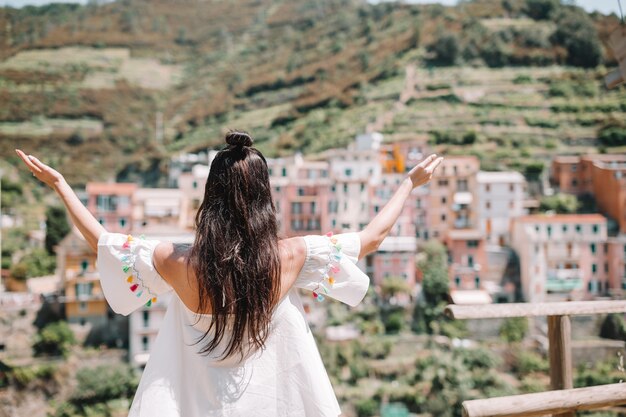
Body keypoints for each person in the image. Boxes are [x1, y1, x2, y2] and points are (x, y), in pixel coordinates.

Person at [16, 132, 443, 417]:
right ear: (264, 195)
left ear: (210, 195)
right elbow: (371, 238)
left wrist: (61, 186)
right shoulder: (290, 256)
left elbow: (103, 241)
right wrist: (408, 183)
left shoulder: (178, 261)